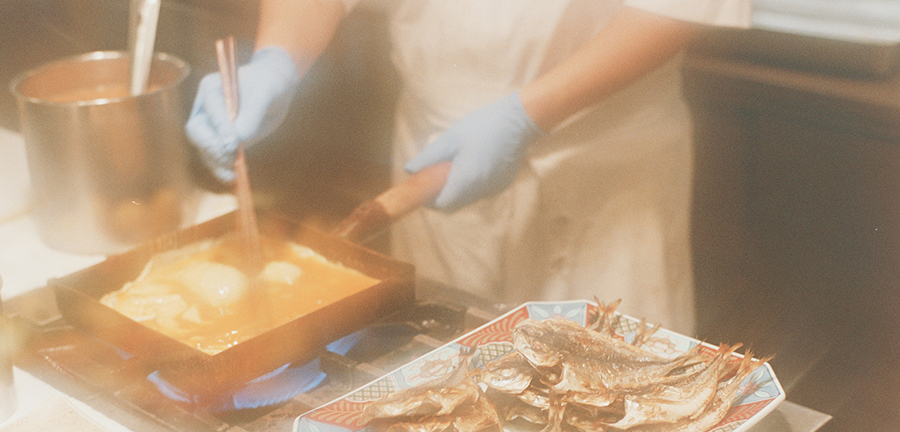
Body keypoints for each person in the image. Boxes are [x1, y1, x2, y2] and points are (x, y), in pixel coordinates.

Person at [186, 0, 751, 335]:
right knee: (444, 382)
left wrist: (527, 114)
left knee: (622, 399)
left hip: (601, 157)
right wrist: (278, 59)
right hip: (435, 152)